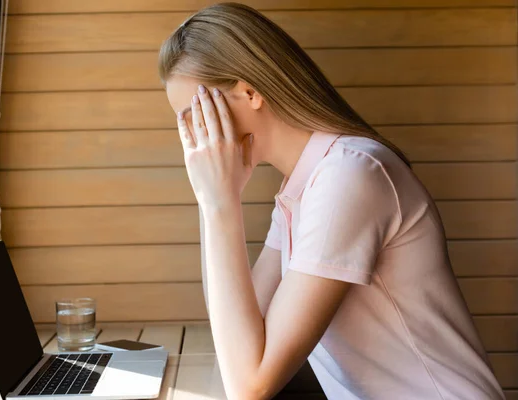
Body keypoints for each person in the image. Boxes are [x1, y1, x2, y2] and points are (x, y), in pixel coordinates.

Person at [158, 3, 504, 399]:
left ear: (250, 93)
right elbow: (237, 336)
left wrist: (218, 202)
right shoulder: (303, 186)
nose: (193, 139)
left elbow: (248, 385)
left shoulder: (348, 175)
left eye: (196, 115)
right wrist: (213, 200)